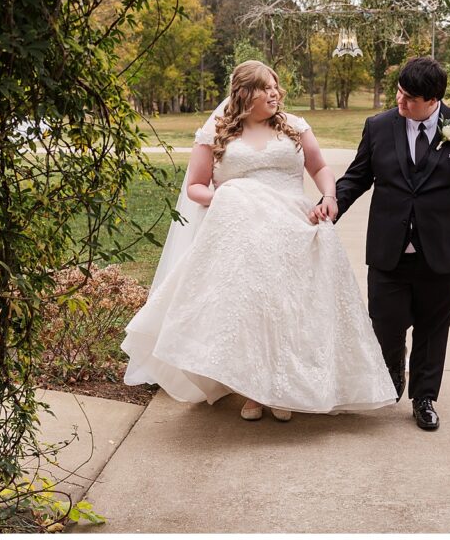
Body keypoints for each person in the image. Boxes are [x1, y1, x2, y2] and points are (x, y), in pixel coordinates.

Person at [122, 60, 397, 422]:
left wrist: (329, 196)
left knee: (289, 307)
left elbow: (319, 168)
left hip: (291, 228)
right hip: (243, 235)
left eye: (275, 86)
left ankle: (285, 389)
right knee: (253, 306)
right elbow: (195, 187)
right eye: (266, 87)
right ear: (244, 94)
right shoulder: (217, 133)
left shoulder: (295, 127)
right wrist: (229, 196)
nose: (274, 93)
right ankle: (254, 391)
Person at [335, 56, 450, 431]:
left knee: (432, 329)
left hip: (443, 251)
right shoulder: (378, 127)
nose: (401, 102)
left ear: (433, 99)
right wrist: (332, 205)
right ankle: (392, 376)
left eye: (410, 98)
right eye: (399, 93)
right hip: (389, 249)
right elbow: (357, 177)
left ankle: (424, 398)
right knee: (386, 325)